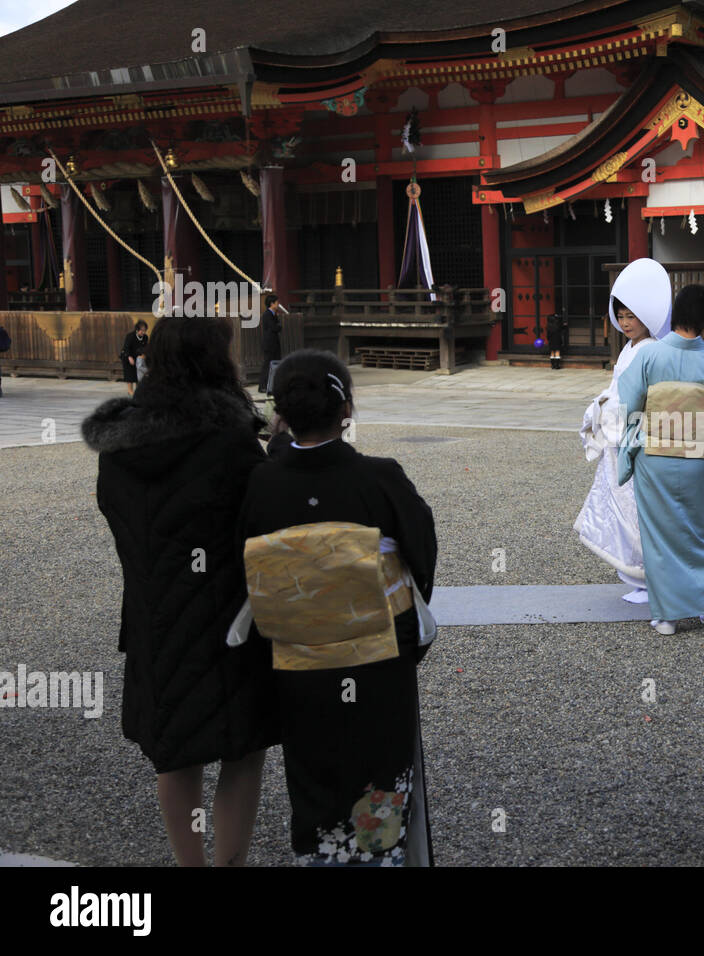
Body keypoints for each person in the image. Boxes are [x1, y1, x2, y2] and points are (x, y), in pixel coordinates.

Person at [82, 315, 276, 866]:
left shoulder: (120, 444)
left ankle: (189, 863)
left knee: (175, 754)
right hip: (228, 618)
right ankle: (228, 864)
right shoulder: (231, 440)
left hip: (152, 613)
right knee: (242, 747)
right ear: (214, 362)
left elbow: (117, 516)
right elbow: (261, 522)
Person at [237, 349, 438, 866]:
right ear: (345, 408)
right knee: (379, 764)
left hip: (300, 662)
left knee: (316, 768)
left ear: (280, 413)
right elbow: (421, 552)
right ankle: (379, 852)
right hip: (377, 659)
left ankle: (322, 851)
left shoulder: (262, 482)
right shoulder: (379, 477)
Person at [617, 284, 704, 635]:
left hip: (655, 453)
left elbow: (629, 403)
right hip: (693, 453)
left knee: (658, 533)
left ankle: (666, 615)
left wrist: (631, 442)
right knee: (695, 530)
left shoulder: (649, 356)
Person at [574, 258, 673, 603]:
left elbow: (640, 400)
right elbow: (618, 391)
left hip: (633, 440)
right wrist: (600, 405)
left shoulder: (650, 350)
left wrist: (608, 413)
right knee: (621, 509)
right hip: (620, 437)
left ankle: (648, 577)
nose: (627, 323)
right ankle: (639, 577)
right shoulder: (630, 348)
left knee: (636, 510)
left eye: (633, 316)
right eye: (623, 315)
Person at [258, 294, 282, 394]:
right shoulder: (267, 314)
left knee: (275, 364)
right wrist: (279, 325)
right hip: (269, 344)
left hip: (274, 344)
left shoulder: (273, 314)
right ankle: (262, 386)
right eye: (277, 302)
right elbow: (275, 328)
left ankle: (272, 385)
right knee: (267, 365)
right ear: (272, 303)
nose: (278, 304)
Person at [119, 319, 149, 397]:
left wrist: (144, 355)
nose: (143, 332)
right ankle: (130, 391)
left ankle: (138, 391)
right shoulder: (130, 336)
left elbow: (145, 348)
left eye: (144, 330)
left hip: (138, 358)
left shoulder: (145, 337)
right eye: (141, 330)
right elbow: (126, 348)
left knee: (138, 375)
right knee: (130, 374)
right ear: (137, 330)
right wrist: (129, 357)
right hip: (127, 356)